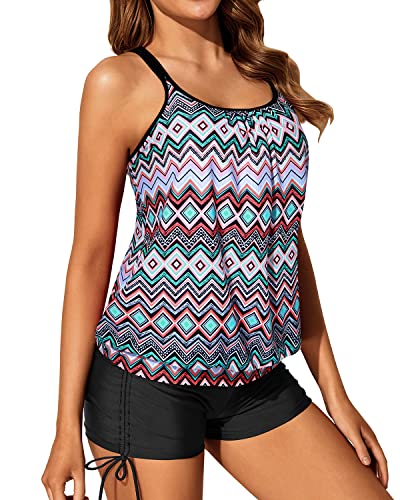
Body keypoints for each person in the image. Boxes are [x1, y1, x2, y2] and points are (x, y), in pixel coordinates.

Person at [41, 1, 392, 499]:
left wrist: (335, 394)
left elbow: (285, 241)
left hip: (255, 379)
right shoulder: (120, 82)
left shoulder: (269, 77)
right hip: (146, 378)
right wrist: (64, 429)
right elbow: (91, 259)